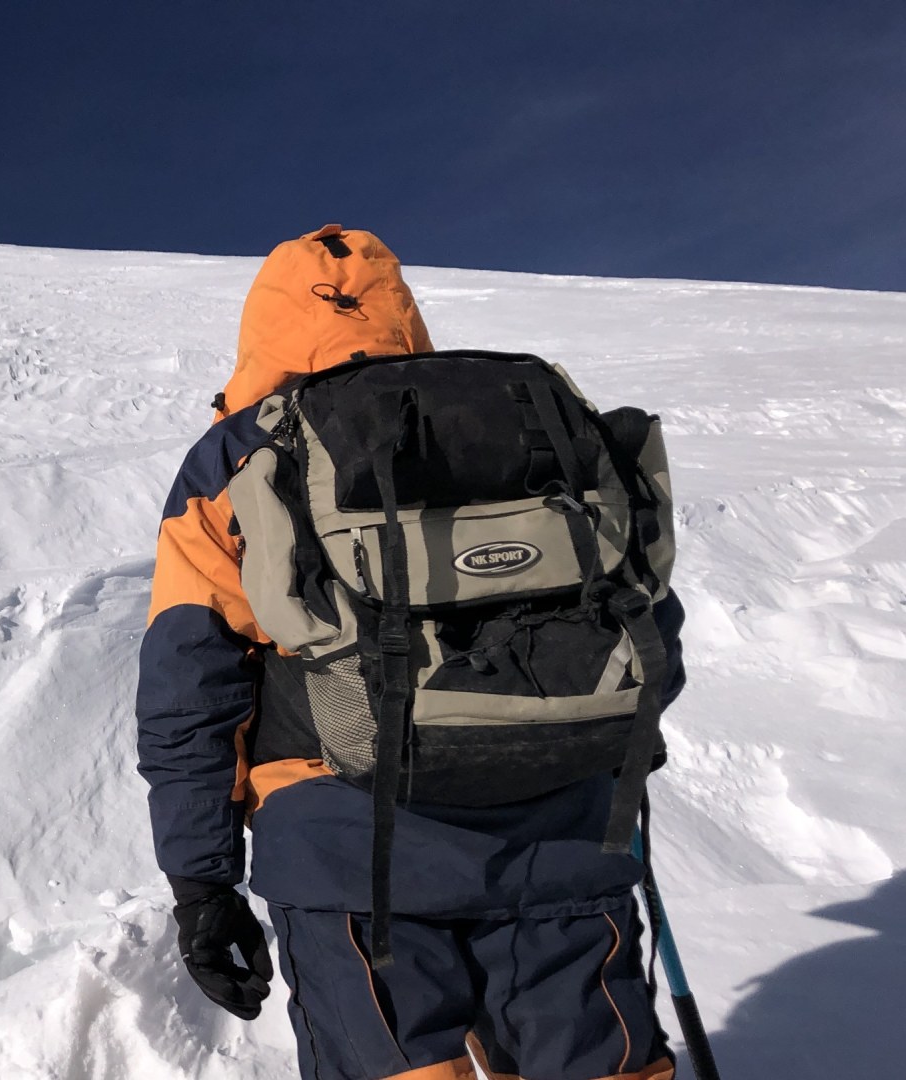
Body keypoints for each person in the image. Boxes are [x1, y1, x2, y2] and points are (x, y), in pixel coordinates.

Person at [136, 225, 687, 1080]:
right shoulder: (532, 416)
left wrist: (202, 883)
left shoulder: (242, 455)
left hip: (346, 849)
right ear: (401, 310)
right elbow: (645, 614)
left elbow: (192, 683)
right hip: (562, 829)